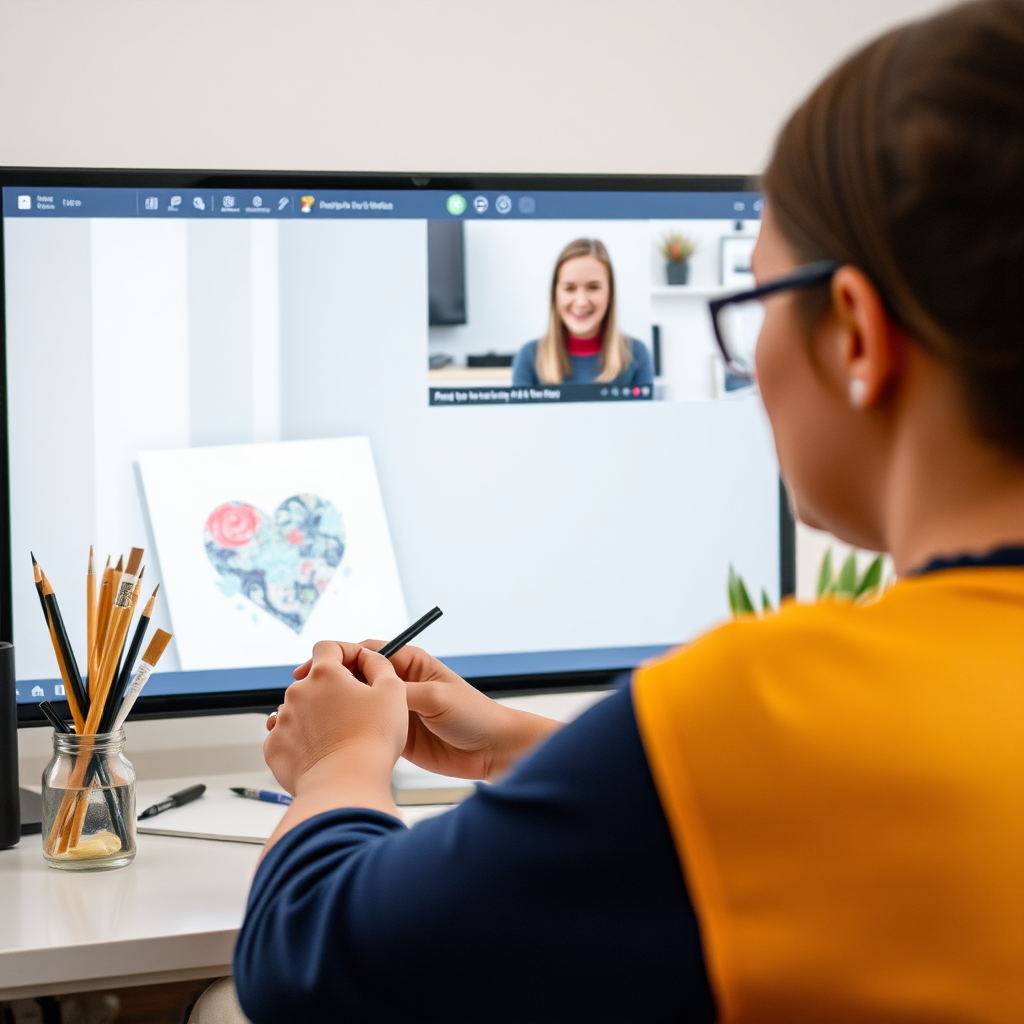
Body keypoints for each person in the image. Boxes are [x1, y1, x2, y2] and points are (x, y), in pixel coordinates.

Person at [232, 2, 1024, 1021]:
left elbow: (318, 962)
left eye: (754, 304)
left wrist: (340, 763)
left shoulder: (770, 713)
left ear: (856, 337)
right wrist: (516, 746)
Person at [511, 238, 654, 389]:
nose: (581, 302)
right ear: (555, 294)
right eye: (569, 288)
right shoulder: (529, 357)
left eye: (593, 287)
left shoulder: (636, 355)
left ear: (610, 293)